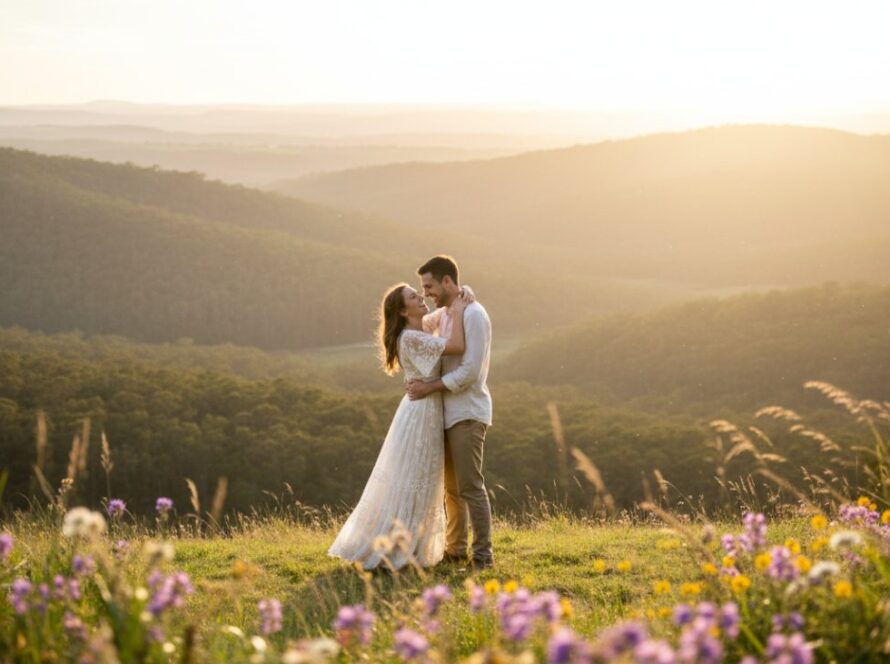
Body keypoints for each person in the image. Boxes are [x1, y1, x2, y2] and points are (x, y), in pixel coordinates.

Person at [327, 282, 471, 570]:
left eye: (420, 294)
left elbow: (435, 314)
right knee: (414, 477)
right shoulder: (411, 338)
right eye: (414, 297)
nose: (421, 298)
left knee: (424, 479)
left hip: (426, 410)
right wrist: (461, 307)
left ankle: (411, 541)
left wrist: (453, 299)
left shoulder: (418, 328)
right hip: (420, 412)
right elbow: (457, 345)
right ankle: (398, 544)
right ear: (404, 311)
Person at [408, 255, 494, 570]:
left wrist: (430, 388)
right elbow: (415, 325)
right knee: (452, 490)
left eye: (429, 286)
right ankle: (455, 550)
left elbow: (471, 371)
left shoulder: (474, 314)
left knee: (471, 486)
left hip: (467, 413)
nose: (426, 292)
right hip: (445, 413)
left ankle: (483, 557)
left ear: (447, 281)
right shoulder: (446, 313)